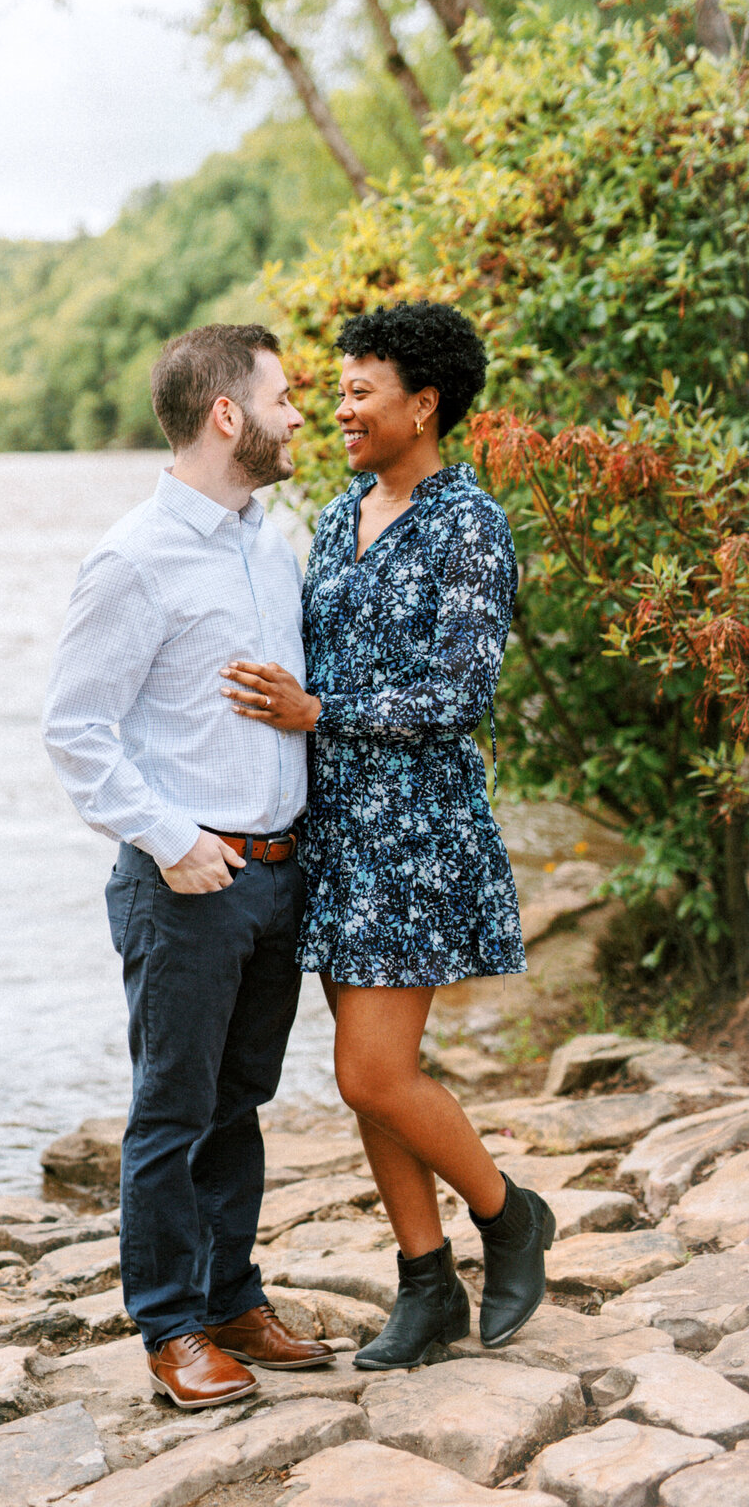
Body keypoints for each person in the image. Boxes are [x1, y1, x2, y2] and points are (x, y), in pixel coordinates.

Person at [221, 299, 555, 1369]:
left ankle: (510, 1218)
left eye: (364, 391)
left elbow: (460, 690)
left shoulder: (470, 526)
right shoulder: (335, 517)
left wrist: (320, 713)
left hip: (417, 831)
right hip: (336, 830)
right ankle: (426, 1284)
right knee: (369, 1063)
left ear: (427, 403)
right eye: (341, 389)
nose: (344, 408)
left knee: (372, 1072)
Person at [42, 323, 334, 1410]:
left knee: (240, 1102)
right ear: (228, 415)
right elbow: (76, 731)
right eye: (283, 396)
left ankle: (233, 1299)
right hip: (186, 886)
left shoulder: (267, 541)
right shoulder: (132, 557)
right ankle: (170, 1330)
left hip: (276, 876)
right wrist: (172, 841)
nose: (299, 413)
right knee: (171, 1113)